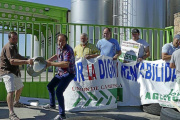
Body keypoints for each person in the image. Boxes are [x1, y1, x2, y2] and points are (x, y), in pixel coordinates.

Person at [0, 32, 33, 120]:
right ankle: (11, 113)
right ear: (9, 39)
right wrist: (26, 62)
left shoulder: (14, 46)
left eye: (16, 38)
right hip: (7, 71)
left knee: (20, 87)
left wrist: (27, 59)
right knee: (10, 91)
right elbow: (12, 61)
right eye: (13, 38)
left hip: (14, 71)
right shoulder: (8, 47)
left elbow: (17, 56)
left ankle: (16, 102)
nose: (15, 40)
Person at [43, 34, 75, 120]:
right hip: (61, 73)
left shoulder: (68, 50)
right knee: (50, 86)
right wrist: (48, 61)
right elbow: (57, 55)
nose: (61, 43)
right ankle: (52, 105)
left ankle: (62, 115)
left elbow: (65, 64)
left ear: (66, 41)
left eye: (63, 41)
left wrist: (51, 64)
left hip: (68, 73)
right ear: (57, 41)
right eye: (59, 41)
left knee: (59, 91)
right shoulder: (58, 48)